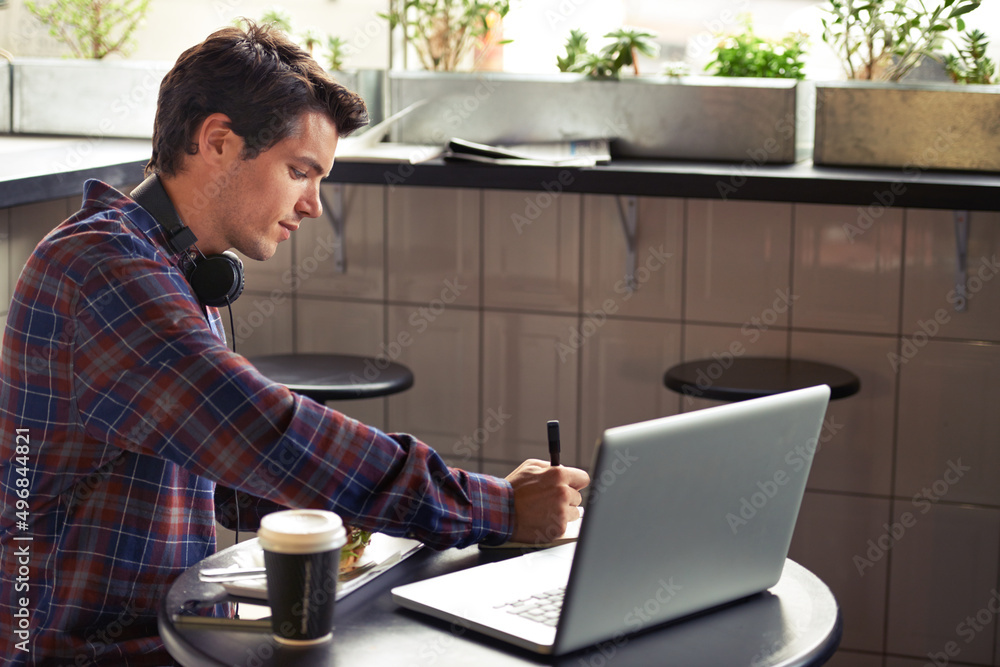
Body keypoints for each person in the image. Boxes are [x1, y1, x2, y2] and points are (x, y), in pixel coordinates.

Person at [0, 22, 589, 666]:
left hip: (155, 634)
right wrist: (490, 506)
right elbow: (263, 433)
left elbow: (229, 469)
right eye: (299, 171)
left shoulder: (173, 265)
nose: (313, 204)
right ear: (218, 142)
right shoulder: (105, 270)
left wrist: (414, 516)